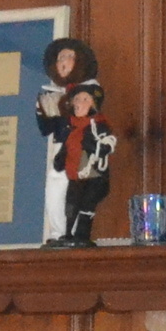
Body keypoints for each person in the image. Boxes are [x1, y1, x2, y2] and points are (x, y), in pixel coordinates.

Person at [42, 80, 114, 247]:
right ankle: (67, 234)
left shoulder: (98, 125)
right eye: (76, 99)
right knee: (71, 204)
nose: (78, 104)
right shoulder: (72, 127)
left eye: (84, 99)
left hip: (94, 176)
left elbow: (109, 142)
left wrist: (97, 148)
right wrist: (60, 159)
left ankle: (82, 235)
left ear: (93, 104)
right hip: (75, 174)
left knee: (86, 204)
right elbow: (68, 146)